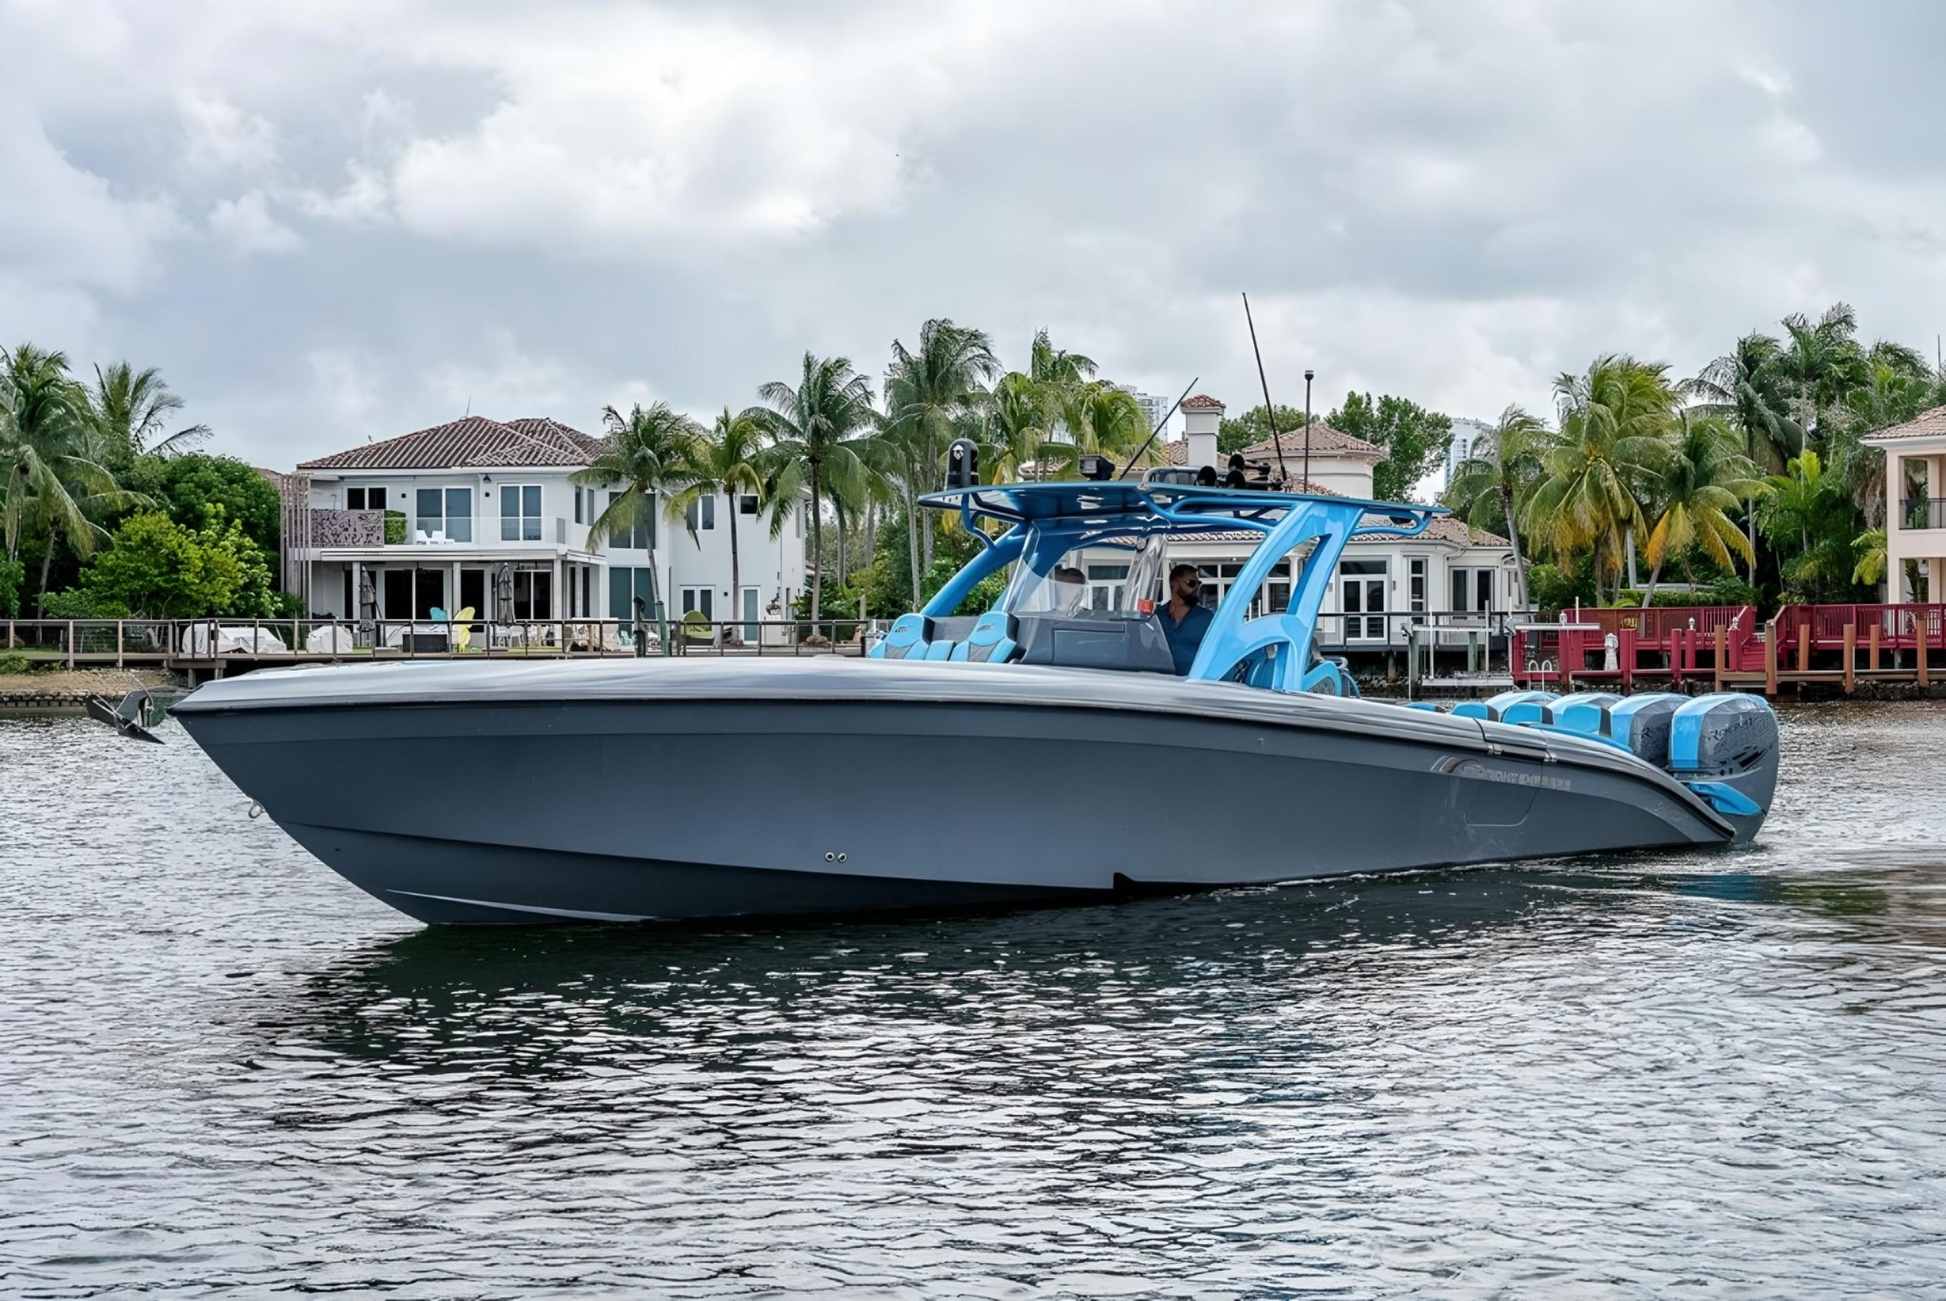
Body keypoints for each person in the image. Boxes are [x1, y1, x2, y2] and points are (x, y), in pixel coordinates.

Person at [1157, 563, 1213, 675]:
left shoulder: (1207, 618)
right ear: (1174, 584)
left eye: (1198, 583)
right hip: (1161, 682)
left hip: (1194, 685)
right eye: (1191, 583)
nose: (1196, 587)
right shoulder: (1157, 617)